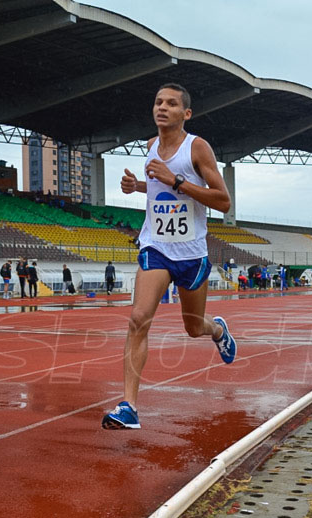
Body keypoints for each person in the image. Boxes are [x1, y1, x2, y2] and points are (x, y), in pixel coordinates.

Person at [102, 83, 236, 430]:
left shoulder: (198, 148)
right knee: (138, 319)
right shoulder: (150, 147)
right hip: (156, 247)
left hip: (191, 253)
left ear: (185, 114)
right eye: (158, 101)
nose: (162, 108)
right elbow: (160, 185)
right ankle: (129, 405)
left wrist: (175, 180)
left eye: (171, 103)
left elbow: (222, 201)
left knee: (194, 328)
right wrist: (139, 187)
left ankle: (217, 330)